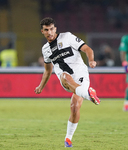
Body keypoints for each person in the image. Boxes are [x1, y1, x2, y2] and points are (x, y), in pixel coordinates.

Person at [34, 17, 100, 147]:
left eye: (52, 29)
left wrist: (91, 60)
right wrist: (41, 86)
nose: (50, 32)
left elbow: (87, 49)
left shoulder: (68, 37)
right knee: (64, 76)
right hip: (66, 79)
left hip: (81, 75)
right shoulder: (45, 49)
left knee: (74, 107)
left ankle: (68, 139)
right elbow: (48, 71)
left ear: (55, 29)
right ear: (42, 31)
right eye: (46, 30)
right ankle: (88, 94)